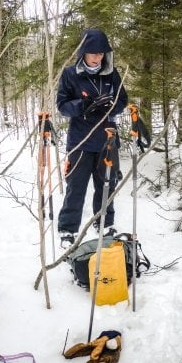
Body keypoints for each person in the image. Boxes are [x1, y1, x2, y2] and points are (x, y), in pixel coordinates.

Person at [57, 28, 128, 246]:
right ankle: (68, 229)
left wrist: (110, 105)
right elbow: (62, 106)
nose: (98, 57)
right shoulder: (70, 74)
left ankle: (104, 222)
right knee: (76, 185)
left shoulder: (112, 74)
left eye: (101, 53)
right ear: (84, 52)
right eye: (93, 53)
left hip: (107, 139)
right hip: (80, 140)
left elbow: (122, 100)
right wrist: (83, 105)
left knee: (107, 183)